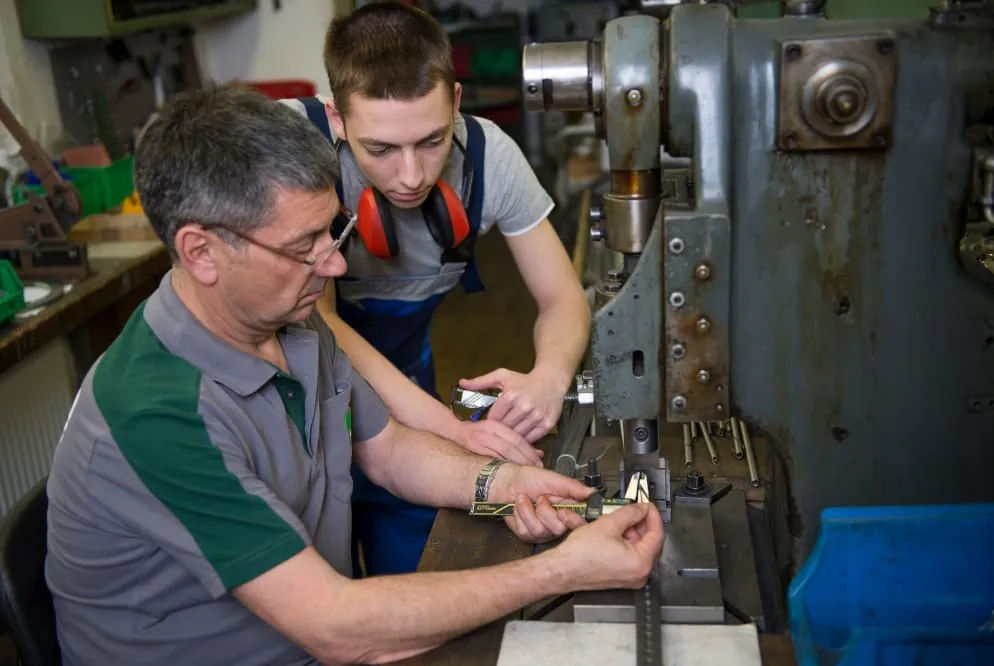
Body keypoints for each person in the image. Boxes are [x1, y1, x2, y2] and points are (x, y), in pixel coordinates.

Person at [43, 87, 662, 666]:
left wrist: (514, 483)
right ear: (202, 252)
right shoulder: (159, 414)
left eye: (333, 230)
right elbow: (337, 625)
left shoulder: (291, 322)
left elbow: (389, 451)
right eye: (305, 245)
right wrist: (562, 571)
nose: (336, 263)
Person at [280, 1, 593, 577]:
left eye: (431, 141)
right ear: (337, 117)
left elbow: (562, 297)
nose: (411, 176)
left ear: (455, 101)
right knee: (317, 560)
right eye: (380, 150)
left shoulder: (489, 156)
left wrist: (548, 380)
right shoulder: (288, 148)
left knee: (416, 549)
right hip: (294, 386)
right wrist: (451, 430)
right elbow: (321, 328)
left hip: (405, 372)